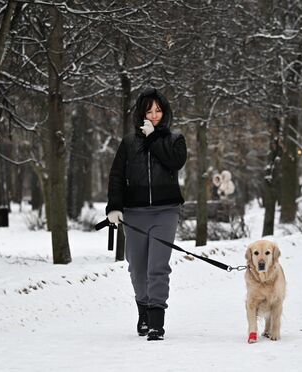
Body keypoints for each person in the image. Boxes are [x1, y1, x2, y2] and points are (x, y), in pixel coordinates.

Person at [106, 87, 187, 341]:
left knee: (157, 267)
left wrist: (153, 139)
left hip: (166, 212)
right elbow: (117, 176)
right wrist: (114, 207)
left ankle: (156, 322)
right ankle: (143, 310)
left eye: (158, 110)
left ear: (165, 112)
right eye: (149, 111)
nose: (154, 115)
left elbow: (175, 162)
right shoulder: (129, 143)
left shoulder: (175, 139)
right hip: (136, 213)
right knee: (137, 269)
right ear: (141, 113)